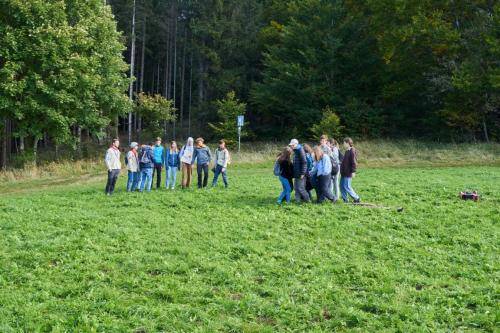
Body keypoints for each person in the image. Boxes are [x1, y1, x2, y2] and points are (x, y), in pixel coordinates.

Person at [288, 139, 311, 203]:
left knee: (301, 188)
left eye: (292, 145)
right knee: (296, 187)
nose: (291, 146)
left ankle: (308, 200)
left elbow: (304, 162)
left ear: (296, 144)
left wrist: (303, 173)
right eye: (291, 145)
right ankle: (297, 200)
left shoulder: (300, 150)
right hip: (296, 173)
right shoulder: (295, 151)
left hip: (301, 173)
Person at [340, 137, 360, 203]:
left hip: (348, 172)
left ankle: (356, 198)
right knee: (342, 186)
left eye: (344, 143)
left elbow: (354, 162)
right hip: (344, 172)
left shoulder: (352, 151)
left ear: (348, 143)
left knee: (347, 186)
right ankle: (345, 200)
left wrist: (353, 171)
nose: (343, 144)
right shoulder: (347, 151)